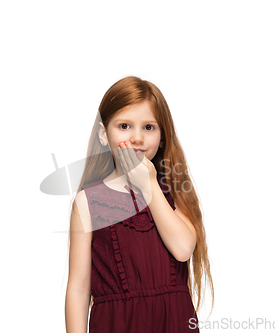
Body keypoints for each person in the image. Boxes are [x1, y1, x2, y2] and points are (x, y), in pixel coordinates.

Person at [65, 76, 214, 332]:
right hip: (117, 324)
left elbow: (182, 249)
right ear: (103, 134)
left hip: (173, 322)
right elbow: (78, 289)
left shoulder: (174, 190)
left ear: (162, 135)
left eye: (148, 127)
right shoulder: (88, 202)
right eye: (124, 126)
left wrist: (149, 185)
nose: (137, 138)